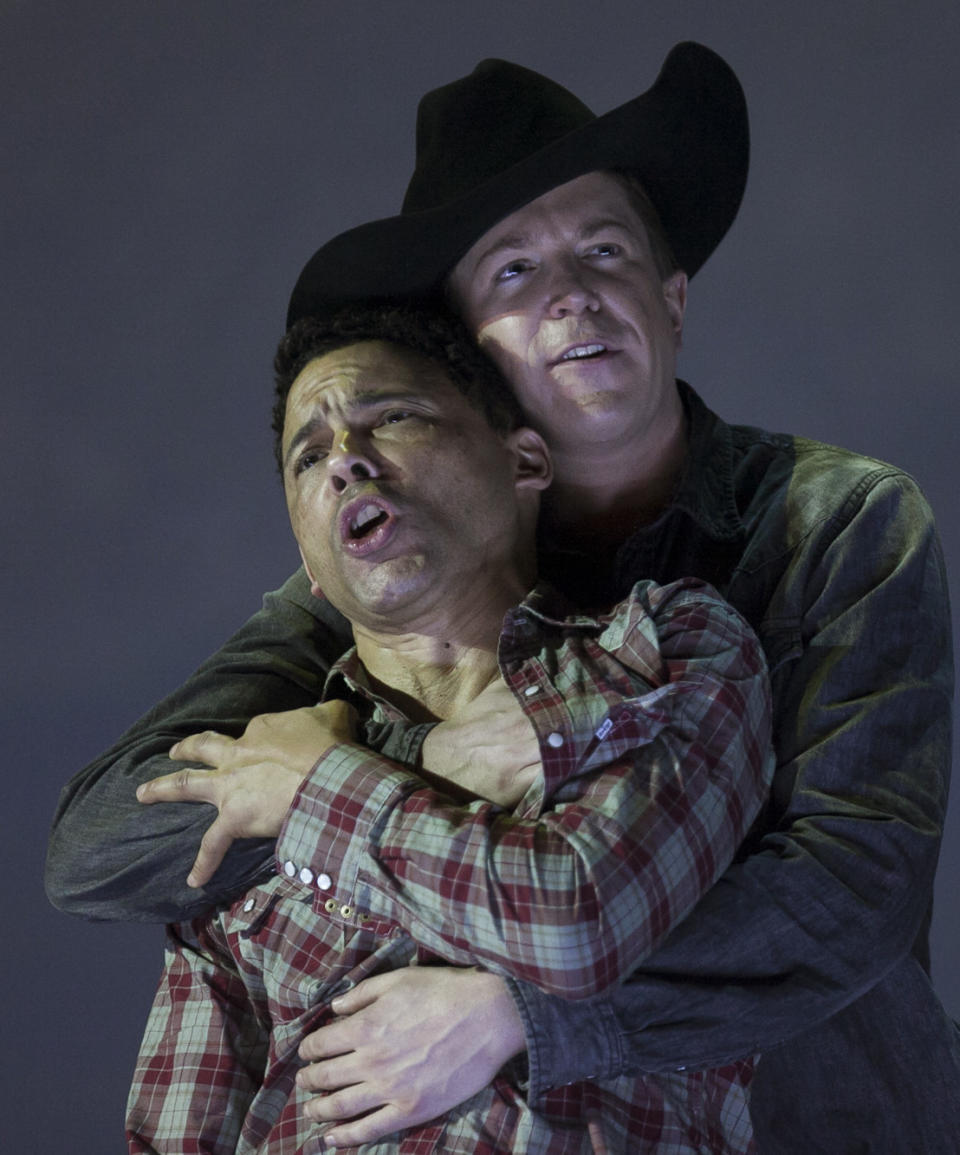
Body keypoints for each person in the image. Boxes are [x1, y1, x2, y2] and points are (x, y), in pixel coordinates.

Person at [47, 42, 958, 1152]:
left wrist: (521, 1015)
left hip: (822, 1120)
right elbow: (97, 849)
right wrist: (403, 767)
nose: (572, 293)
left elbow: (841, 899)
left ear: (672, 302)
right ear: (467, 360)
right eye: (515, 272)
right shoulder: (370, 580)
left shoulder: (836, 523)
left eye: (606, 250)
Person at [125, 303, 772, 1153]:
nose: (346, 461)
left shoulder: (663, 649)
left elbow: (579, 919)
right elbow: (177, 1129)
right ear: (310, 567)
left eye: (392, 417)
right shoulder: (253, 775)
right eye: (308, 457)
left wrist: (322, 793)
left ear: (525, 459)